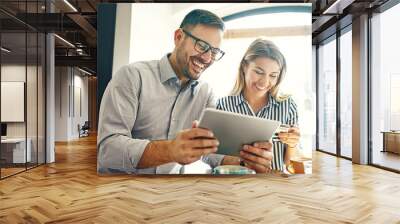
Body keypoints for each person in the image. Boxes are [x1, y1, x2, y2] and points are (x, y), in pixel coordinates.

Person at [97, 9, 273, 174]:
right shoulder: (132, 77)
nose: (207, 58)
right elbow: (108, 150)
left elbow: (208, 150)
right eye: (201, 45)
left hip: (173, 192)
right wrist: (170, 150)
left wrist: (244, 162)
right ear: (178, 37)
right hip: (122, 190)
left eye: (214, 51)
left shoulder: (206, 93)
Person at [217, 38, 301, 171]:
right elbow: (211, 156)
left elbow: (292, 164)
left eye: (273, 75)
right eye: (259, 72)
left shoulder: (287, 105)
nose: (264, 82)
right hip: (235, 184)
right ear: (245, 67)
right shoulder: (223, 105)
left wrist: (293, 144)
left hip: (274, 184)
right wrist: (243, 162)